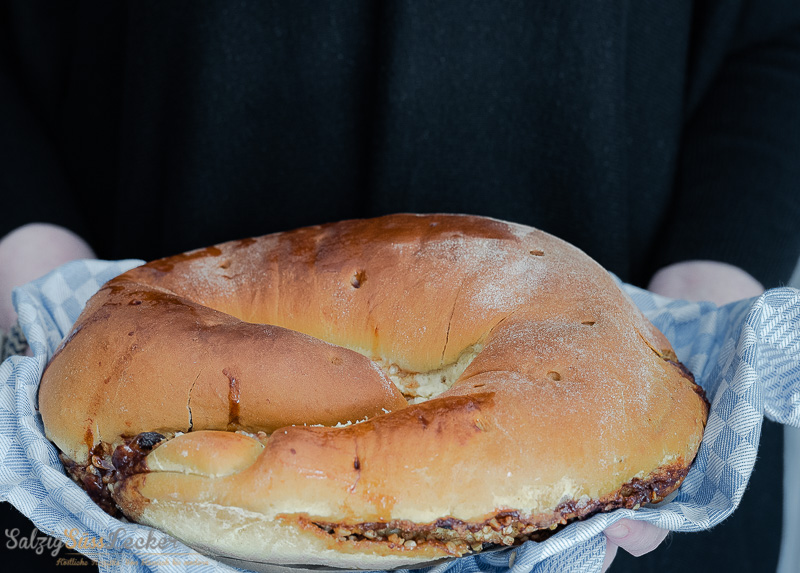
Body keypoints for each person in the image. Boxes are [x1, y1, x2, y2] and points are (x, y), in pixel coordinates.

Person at [1, 2, 799, 571]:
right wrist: (36, 271)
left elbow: (779, 39)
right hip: (92, 494)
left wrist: (702, 300)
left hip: (618, 483)